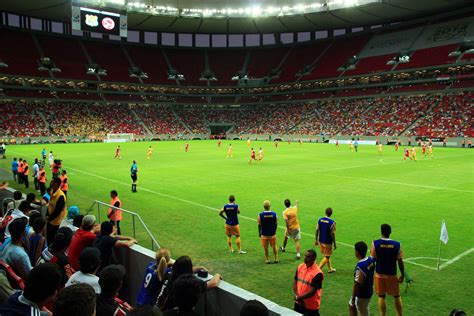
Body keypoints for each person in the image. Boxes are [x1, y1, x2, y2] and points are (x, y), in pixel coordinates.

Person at [370, 224, 404, 316]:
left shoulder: (375, 243)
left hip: (379, 274)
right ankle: (399, 314)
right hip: (392, 275)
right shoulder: (397, 245)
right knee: (396, 295)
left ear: (381, 232)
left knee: (381, 296)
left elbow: (372, 260)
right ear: (390, 232)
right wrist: (402, 274)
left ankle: (382, 315)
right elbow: (400, 261)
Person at [293, 249, 324, 316]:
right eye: (305, 256)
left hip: (311, 306)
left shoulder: (318, 273)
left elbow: (312, 291)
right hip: (298, 303)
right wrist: (297, 296)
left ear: (313, 258)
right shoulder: (300, 267)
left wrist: (299, 297)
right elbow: (295, 281)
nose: (305, 258)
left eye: (308, 257)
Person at [349, 241, 375, 316]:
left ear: (357, 252)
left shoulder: (360, 266)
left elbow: (357, 284)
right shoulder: (370, 260)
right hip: (369, 290)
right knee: (352, 305)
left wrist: (353, 298)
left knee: (363, 312)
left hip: (362, 294)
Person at [314, 207, 337, 273]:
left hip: (321, 240)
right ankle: (317, 270)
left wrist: (316, 240)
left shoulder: (320, 220)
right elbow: (333, 234)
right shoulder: (332, 222)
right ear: (331, 214)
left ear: (325, 212)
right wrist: (334, 244)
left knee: (326, 254)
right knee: (327, 256)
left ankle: (330, 268)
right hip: (328, 242)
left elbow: (316, 229)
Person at [46, 177, 67, 245]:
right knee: (48, 236)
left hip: (56, 221)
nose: (51, 183)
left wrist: (50, 218)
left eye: (52, 182)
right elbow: (50, 204)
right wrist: (47, 214)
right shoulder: (53, 192)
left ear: (57, 184)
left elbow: (58, 211)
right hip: (50, 218)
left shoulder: (60, 196)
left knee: (52, 237)